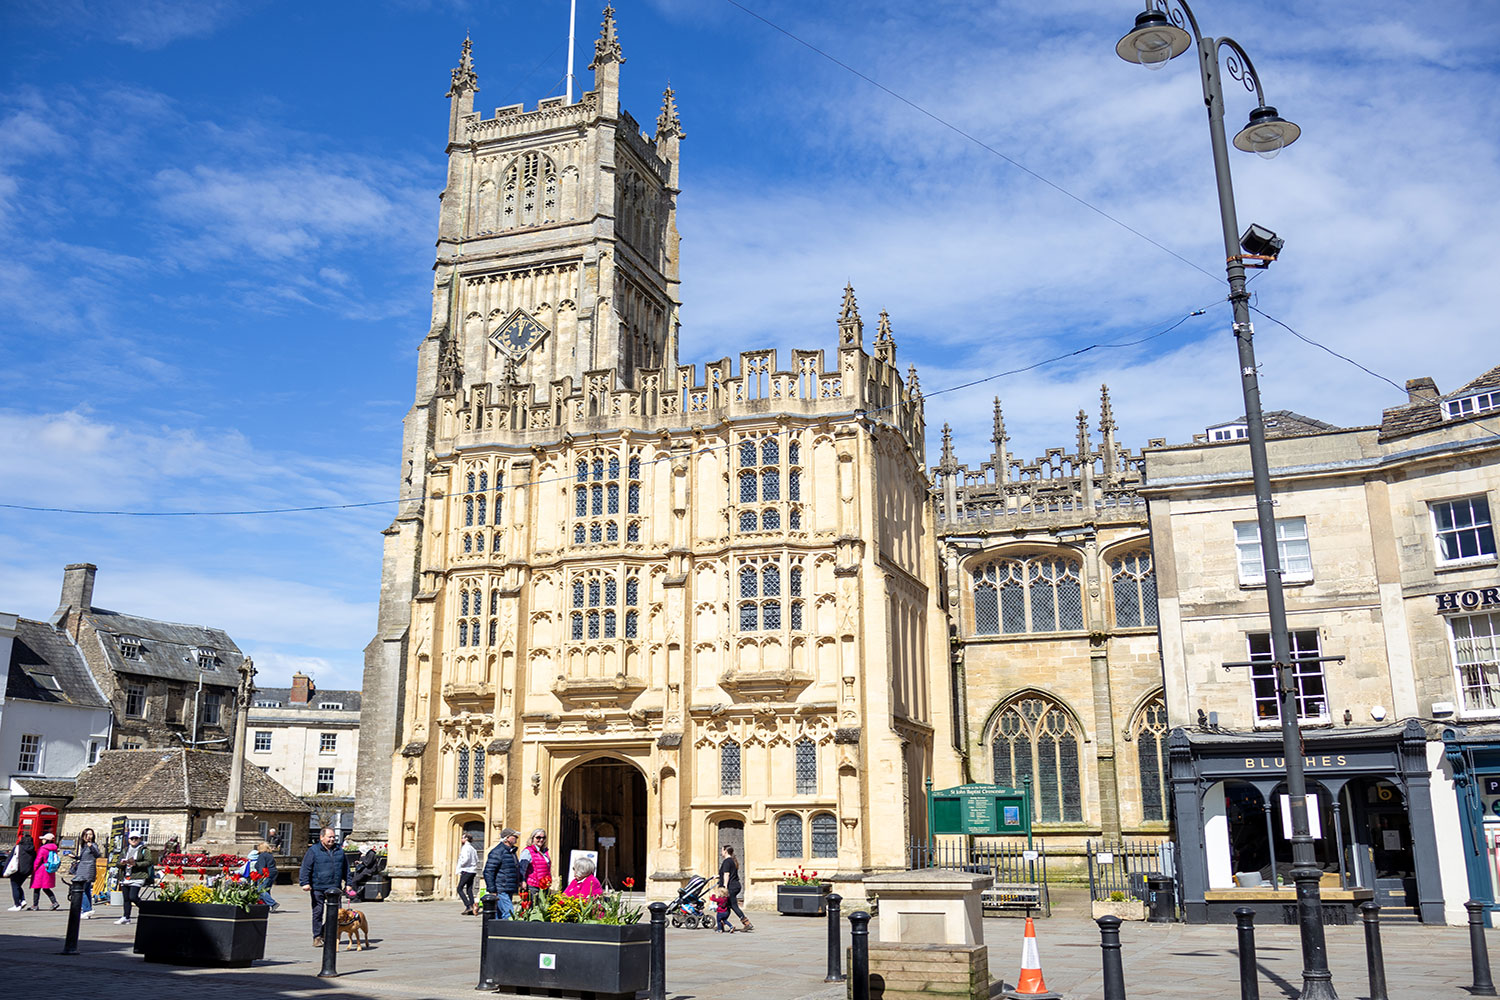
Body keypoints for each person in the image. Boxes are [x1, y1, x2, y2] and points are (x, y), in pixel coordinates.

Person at [298, 826, 349, 947]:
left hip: (335, 887)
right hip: (318, 886)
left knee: (337, 914)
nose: (332, 839)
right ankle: (317, 937)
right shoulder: (314, 850)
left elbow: (346, 869)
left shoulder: (339, 851)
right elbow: (306, 867)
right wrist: (304, 882)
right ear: (321, 837)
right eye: (329, 837)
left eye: (333, 837)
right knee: (318, 913)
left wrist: (349, 883)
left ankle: (326, 932)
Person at [482, 828, 522, 919]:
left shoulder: (511, 851)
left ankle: (496, 932)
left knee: (499, 914)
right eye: (514, 836)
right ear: (507, 838)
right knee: (509, 914)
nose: (516, 838)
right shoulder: (498, 852)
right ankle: (508, 932)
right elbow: (488, 871)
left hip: (508, 888)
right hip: (501, 889)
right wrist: (492, 890)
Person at [116, 831, 152, 924]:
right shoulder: (125, 850)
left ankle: (146, 910)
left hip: (138, 876)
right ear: (128, 840)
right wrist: (121, 864)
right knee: (126, 898)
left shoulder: (144, 850)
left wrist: (136, 864)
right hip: (126, 876)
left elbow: (148, 862)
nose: (134, 840)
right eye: (132, 838)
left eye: (136, 838)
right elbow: (118, 863)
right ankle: (126, 917)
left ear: (140, 839)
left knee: (133, 897)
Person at [716, 845, 753, 932]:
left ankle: (747, 923)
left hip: (731, 887)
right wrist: (717, 876)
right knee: (727, 905)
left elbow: (727, 874)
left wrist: (725, 886)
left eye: (722, 850)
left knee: (733, 905)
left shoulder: (726, 862)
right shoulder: (731, 861)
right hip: (735, 885)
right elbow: (727, 874)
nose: (721, 852)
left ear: (725, 851)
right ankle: (721, 924)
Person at [71, 827, 103, 919]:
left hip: (88, 869)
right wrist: (74, 857)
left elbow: (97, 855)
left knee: (82, 890)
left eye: (90, 834)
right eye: (87, 834)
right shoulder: (84, 846)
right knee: (87, 890)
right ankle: (87, 910)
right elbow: (83, 858)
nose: (89, 836)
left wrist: (91, 847)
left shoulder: (93, 845)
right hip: (83, 868)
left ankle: (87, 910)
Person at [4, 834, 35, 911]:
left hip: (16, 870)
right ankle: (23, 900)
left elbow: (10, 858)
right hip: (27, 871)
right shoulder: (33, 850)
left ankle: (17, 905)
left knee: (15, 886)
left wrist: (5, 870)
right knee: (18, 886)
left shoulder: (18, 848)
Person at [31, 833, 61, 910]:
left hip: (41, 870)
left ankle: (35, 905)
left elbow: (38, 860)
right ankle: (54, 902)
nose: (42, 840)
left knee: (37, 888)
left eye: (44, 839)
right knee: (46, 888)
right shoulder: (54, 848)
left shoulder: (43, 848)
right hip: (49, 869)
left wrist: (34, 868)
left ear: (47, 840)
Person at [251, 840, 280, 911]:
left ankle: (273, 903)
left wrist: (259, 876)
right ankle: (265, 906)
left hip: (266, 874)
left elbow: (262, 867)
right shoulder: (269, 855)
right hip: (273, 873)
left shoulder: (262, 855)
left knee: (260, 890)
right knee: (267, 890)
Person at [456, 833, 479, 915]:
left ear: (466, 839)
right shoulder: (473, 848)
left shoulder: (465, 848)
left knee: (459, 888)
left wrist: (461, 865)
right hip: (472, 871)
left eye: (463, 838)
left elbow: (465, 859)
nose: (461, 839)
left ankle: (468, 905)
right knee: (469, 889)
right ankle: (473, 906)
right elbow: (477, 859)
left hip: (466, 870)